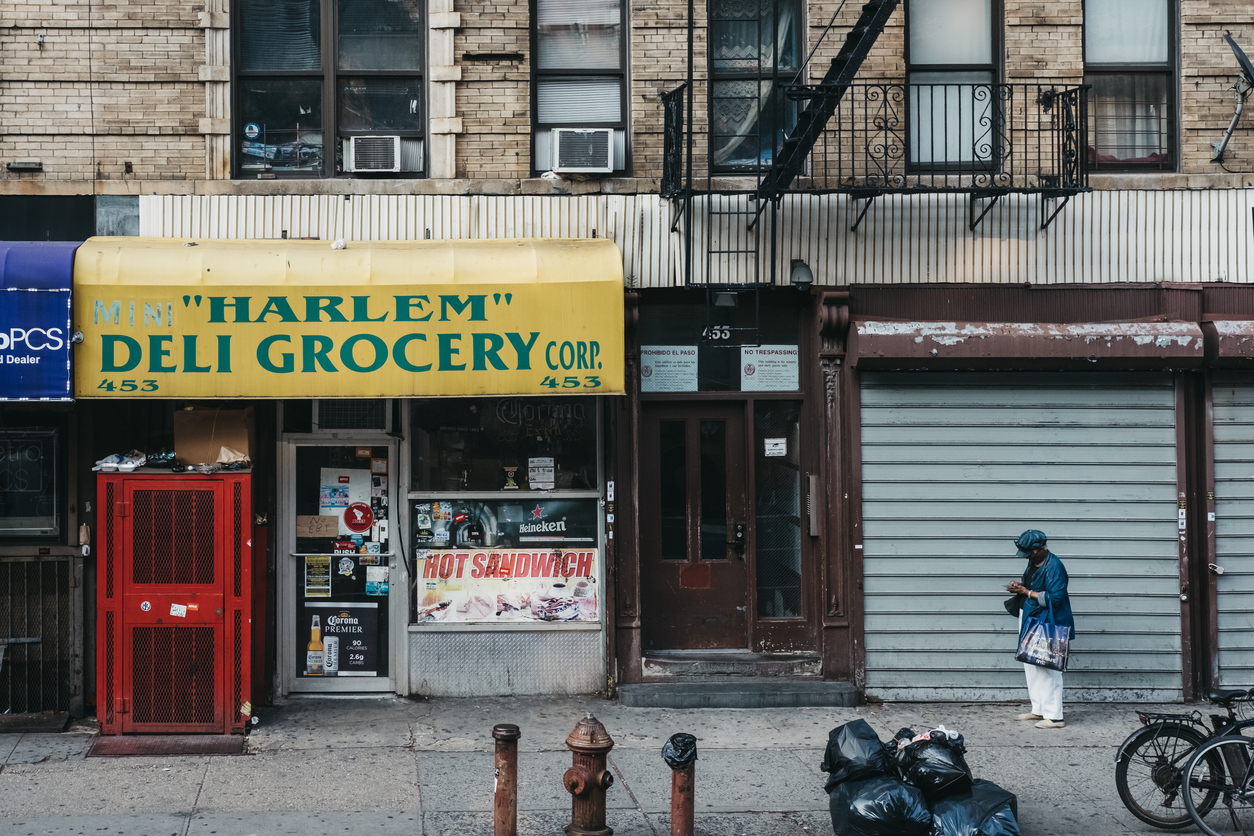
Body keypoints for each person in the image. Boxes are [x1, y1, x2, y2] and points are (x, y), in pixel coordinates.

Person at [1004, 529, 1074, 729]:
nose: (1026, 557)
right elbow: (1032, 586)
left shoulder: (1055, 566)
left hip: (1047, 621)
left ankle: (1055, 717)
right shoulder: (1034, 562)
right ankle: (1039, 710)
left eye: (1029, 553)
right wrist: (1020, 586)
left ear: (1040, 549)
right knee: (1031, 664)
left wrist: (1027, 592)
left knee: (1048, 667)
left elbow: (1056, 598)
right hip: (1031, 618)